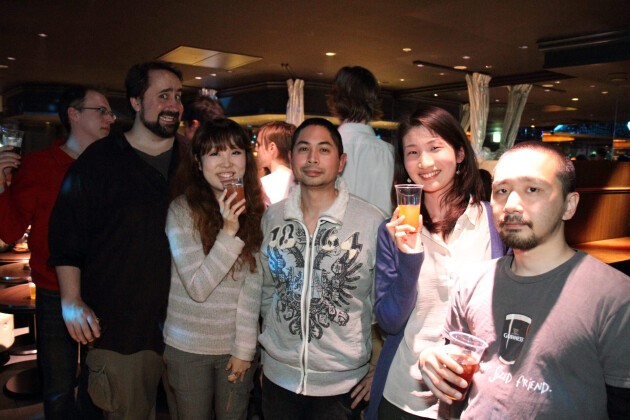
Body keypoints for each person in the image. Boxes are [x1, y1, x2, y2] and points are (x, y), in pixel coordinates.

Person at [419, 142, 630, 419]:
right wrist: (431, 358)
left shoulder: (616, 297)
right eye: (502, 191)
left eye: (532, 189)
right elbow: (455, 368)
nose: (511, 205)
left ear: (569, 205)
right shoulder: (472, 282)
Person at [48, 61, 184, 418]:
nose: (174, 105)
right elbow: (66, 236)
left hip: (188, 328)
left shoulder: (193, 161)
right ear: (136, 102)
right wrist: (71, 299)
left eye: (178, 96)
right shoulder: (99, 161)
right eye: (163, 96)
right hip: (122, 330)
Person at [367, 106, 506, 420]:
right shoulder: (393, 230)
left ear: (459, 153)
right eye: (413, 152)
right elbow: (389, 323)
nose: (425, 163)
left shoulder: (494, 223)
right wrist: (410, 256)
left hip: (475, 396)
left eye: (434, 148)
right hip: (405, 394)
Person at [259, 118, 386, 419]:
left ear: (341, 162)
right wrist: (268, 356)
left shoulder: (372, 221)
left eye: (324, 150)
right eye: (304, 149)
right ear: (292, 158)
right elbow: (265, 290)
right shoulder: (273, 218)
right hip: (278, 379)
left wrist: (378, 368)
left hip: (343, 386)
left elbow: (382, 304)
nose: (313, 158)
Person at [0, 85, 115, 419]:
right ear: (74, 114)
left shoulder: (113, 165)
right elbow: (9, 232)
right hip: (53, 291)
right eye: (101, 111)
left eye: (110, 112)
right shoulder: (38, 166)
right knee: (58, 387)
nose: (110, 118)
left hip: (101, 289)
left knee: (98, 384)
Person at [162, 118, 265, 419]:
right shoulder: (182, 211)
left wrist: (244, 349)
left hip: (234, 348)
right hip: (187, 347)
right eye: (215, 153)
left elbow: (252, 289)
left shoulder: (257, 212)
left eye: (235, 152)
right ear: (198, 161)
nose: (227, 163)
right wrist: (229, 231)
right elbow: (198, 288)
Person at [327, 65, 395, 215]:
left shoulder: (325, 149)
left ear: (336, 100)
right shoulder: (388, 152)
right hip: (379, 230)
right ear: (374, 99)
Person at [255, 121, 296, 205]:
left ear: (272, 148)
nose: (256, 149)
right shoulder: (298, 180)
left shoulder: (269, 184)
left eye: (259, 144)